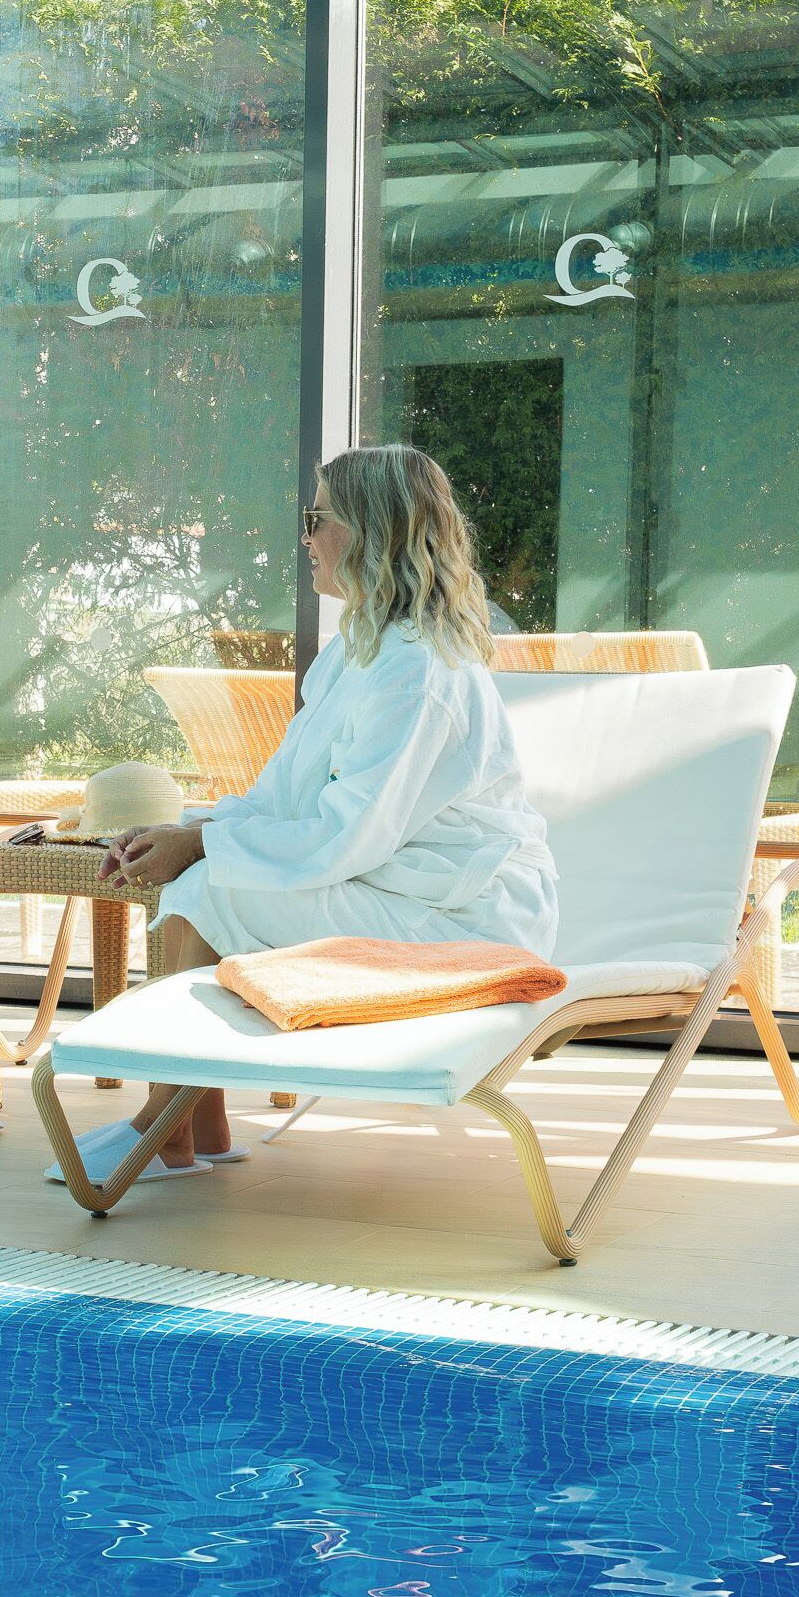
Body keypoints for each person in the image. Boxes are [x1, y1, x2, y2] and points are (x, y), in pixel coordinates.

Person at [62, 444, 560, 1182]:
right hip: (397, 886)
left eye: (316, 518)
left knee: (209, 884)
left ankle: (170, 1121)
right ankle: (193, 1117)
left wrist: (203, 850)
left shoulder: (417, 671)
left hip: (464, 918)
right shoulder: (357, 649)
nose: (304, 537)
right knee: (200, 875)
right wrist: (188, 832)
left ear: (369, 531)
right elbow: (284, 796)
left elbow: (348, 837)